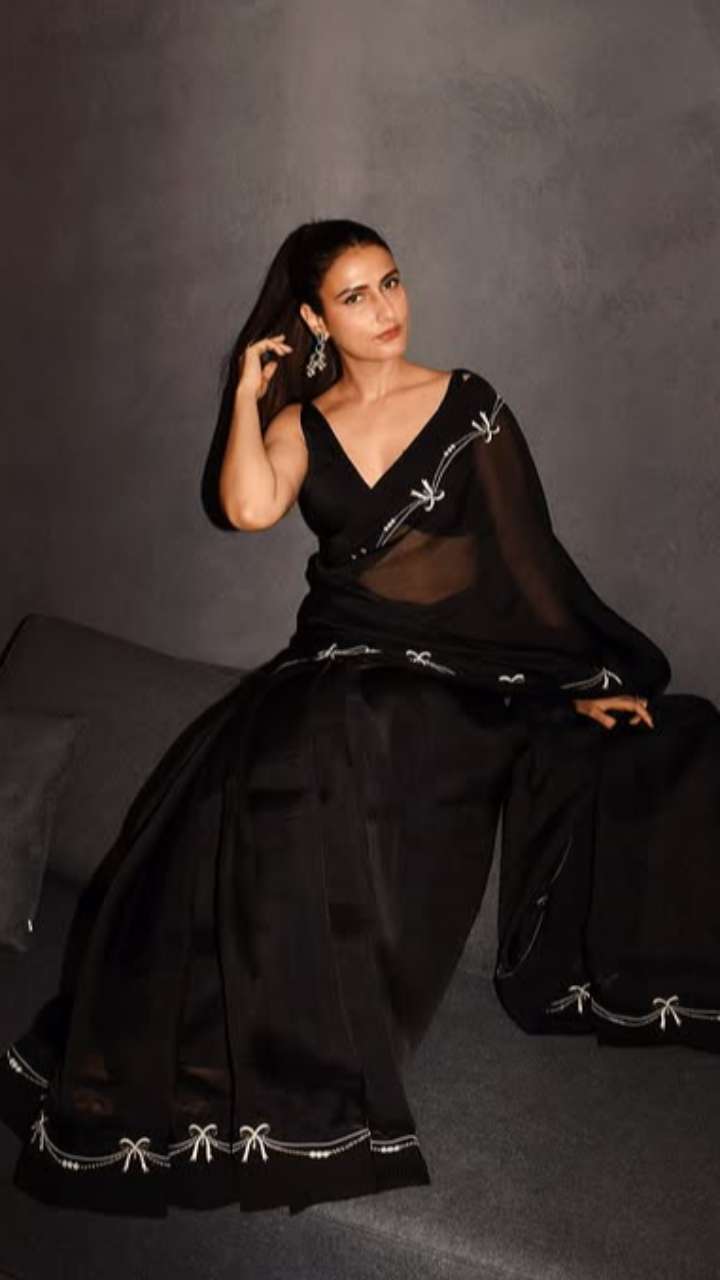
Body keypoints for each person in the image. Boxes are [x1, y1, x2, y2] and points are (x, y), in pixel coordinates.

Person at [2, 218, 719, 1220]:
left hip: (456, 677)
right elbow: (248, 507)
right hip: (338, 658)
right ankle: (233, 1038)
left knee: (370, 719)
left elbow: (530, 564)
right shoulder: (303, 422)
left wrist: (579, 678)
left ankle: (321, 1040)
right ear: (313, 319)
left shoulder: (468, 407)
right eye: (354, 296)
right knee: (267, 744)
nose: (385, 309)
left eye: (390, 283)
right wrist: (247, 394)